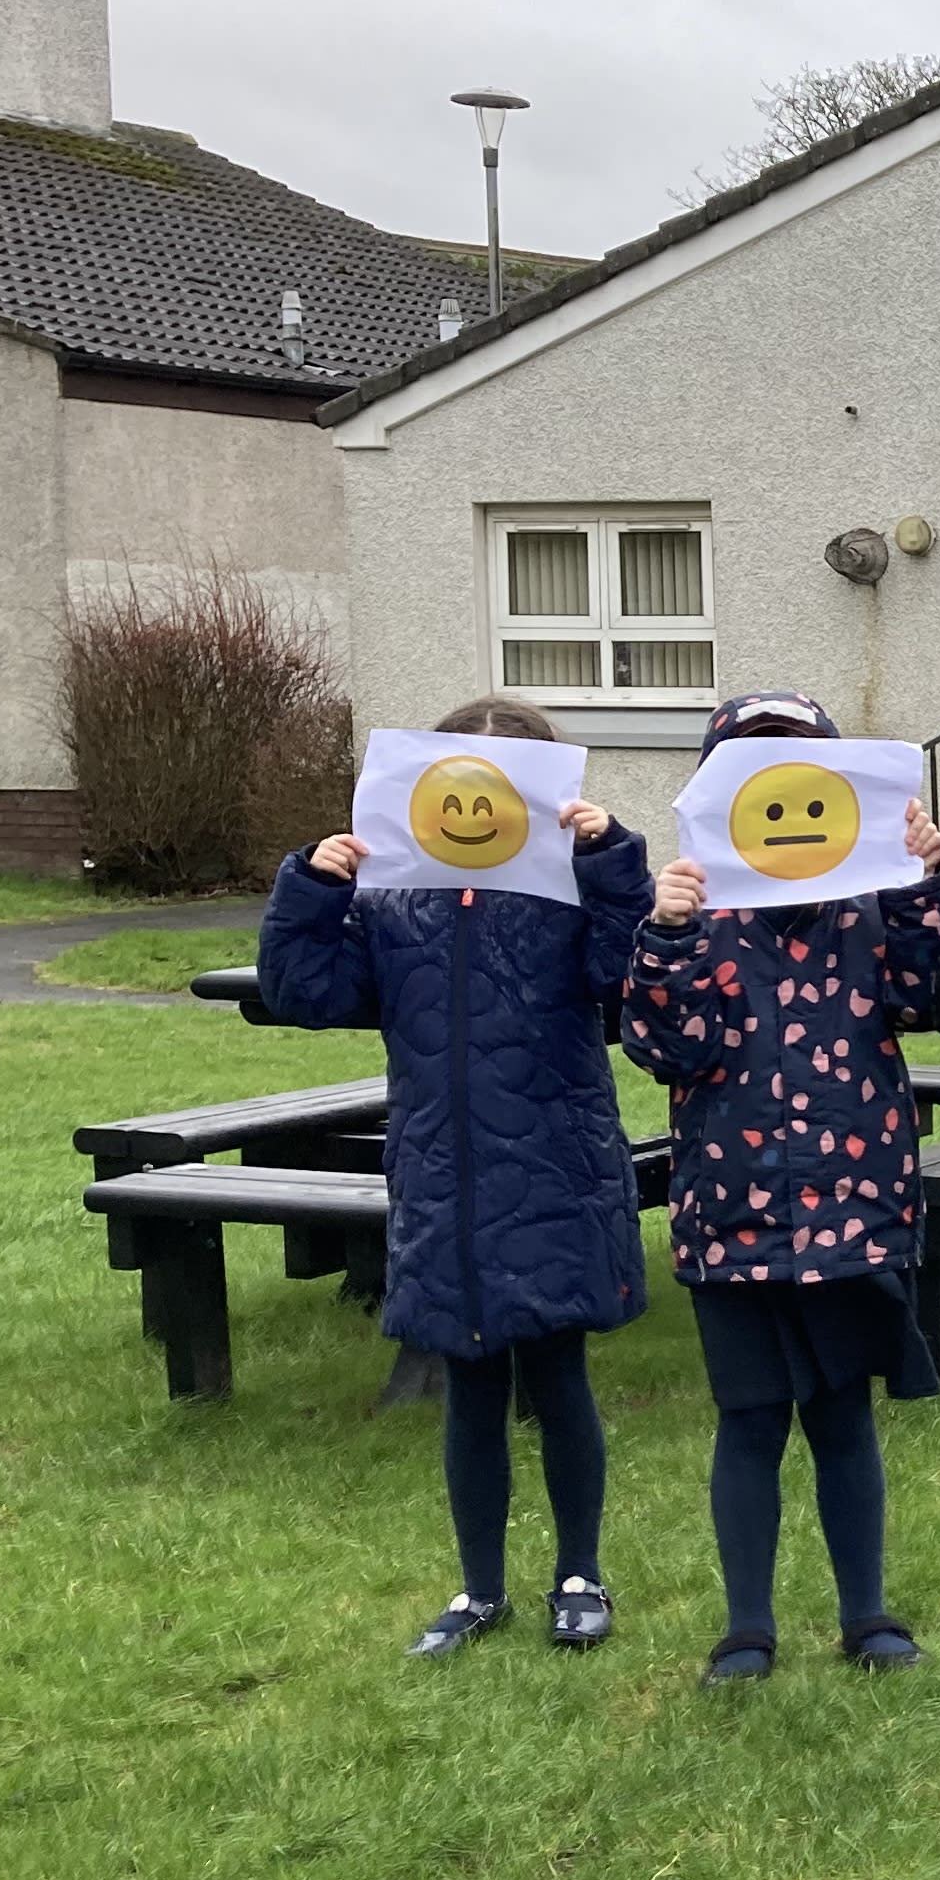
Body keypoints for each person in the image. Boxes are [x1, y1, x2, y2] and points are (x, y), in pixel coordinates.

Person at [259, 695, 654, 1657]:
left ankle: (579, 1574)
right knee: (469, 1383)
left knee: (559, 1376)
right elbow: (301, 990)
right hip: (445, 1176)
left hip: (556, 1163)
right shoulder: (397, 903)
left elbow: (631, 972)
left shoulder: (563, 886)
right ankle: (479, 1589)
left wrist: (610, 866)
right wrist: (310, 888)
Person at [620, 691, 940, 1683]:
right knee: (751, 1421)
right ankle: (746, 1628)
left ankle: (868, 1615)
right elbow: (665, 1048)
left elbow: (925, 995)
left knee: (844, 1415)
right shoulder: (701, 917)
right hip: (735, 1215)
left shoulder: (868, 906)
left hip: (853, 1210)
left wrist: (921, 884)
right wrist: (668, 940)